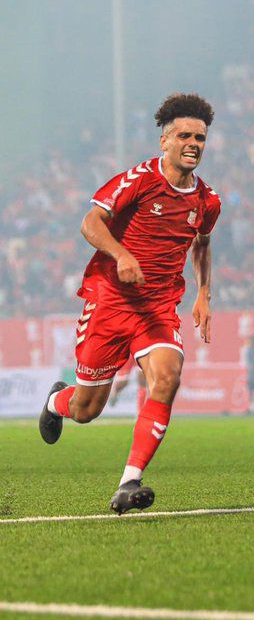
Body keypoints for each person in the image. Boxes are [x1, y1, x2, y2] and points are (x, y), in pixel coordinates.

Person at [39, 93, 220, 514]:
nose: (193, 144)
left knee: (167, 378)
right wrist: (121, 254)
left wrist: (204, 293)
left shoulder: (207, 201)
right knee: (86, 409)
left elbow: (202, 243)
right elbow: (90, 223)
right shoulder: (138, 180)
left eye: (200, 138)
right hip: (110, 301)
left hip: (158, 307)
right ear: (164, 141)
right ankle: (54, 402)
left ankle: (129, 482)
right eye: (184, 136)